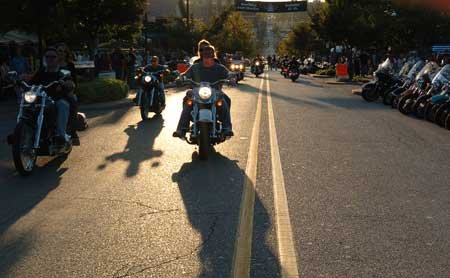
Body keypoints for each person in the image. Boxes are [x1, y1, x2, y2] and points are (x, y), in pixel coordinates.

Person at [173, 45, 233, 138]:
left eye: (210, 57)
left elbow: (228, 73)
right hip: (197, 92)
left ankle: (227, 128)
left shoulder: (219, 67)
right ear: (202, 57)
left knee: (224, 101)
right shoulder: (195, 67)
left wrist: (231, 77)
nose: (208, 59)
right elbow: (185, 74)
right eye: (205, 57)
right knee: (187, 101)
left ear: (213, 57)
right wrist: (180, 78)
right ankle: (182, 129)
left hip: (215, 92)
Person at [31, 47, 76, 147]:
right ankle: (25, 131)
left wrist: (66, 84)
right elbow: (31, 83)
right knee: (28, 105)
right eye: (47, 56)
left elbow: (70, 83)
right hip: (42, 99)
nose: (50, 59)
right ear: (44, 58)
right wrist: (20, 82)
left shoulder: (62, 71)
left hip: (57, 98)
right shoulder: (42, 71)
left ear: (57, 58)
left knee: (63, 105)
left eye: (53, 56)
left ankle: (61, 135)